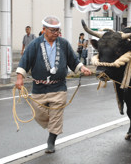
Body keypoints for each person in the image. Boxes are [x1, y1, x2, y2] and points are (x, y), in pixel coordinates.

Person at [15, 16, 91, 153]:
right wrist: (20, 77)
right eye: (53, 30)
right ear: (44, 29)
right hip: (39, 88)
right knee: (39, 114)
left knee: (56, 115)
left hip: (59, 87)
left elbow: (73, 60)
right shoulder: (35, 44)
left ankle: (51, 140)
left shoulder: (64, 44)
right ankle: (52, 127)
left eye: (58, 30)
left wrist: (82, 68)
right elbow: (24, 61)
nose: (56, 33)